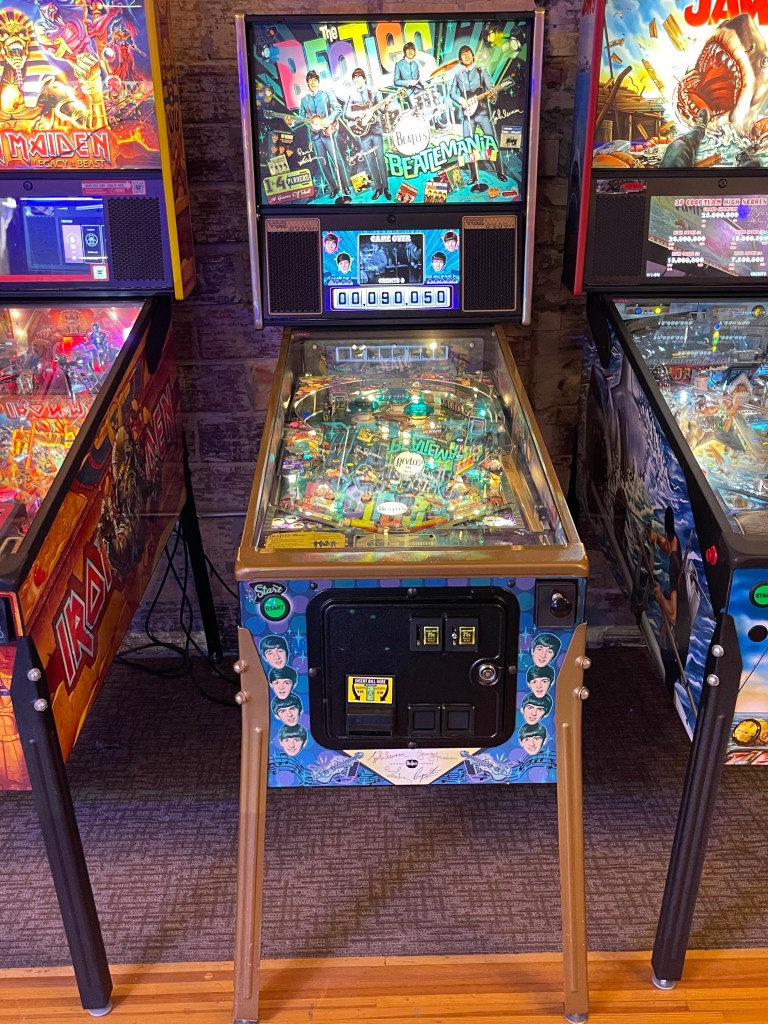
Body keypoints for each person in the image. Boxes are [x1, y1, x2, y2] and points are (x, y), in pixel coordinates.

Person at [449, 45, 507, 193]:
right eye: (463, 54)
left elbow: (491, 89)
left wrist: (493, 95)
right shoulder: (458, 75)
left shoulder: (482, 71)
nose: (466, 56)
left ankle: (500, 171)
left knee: (491, 142)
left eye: (468, 53)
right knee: (469, 146)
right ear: (460, 59)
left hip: (482, 112)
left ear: (472, 55)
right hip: (467, 115)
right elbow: (451, 93)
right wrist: (461, 100)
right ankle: (474, 176)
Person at [289, 70, 350, 203]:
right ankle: (334, 188)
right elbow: (302, 117)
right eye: (310, 80)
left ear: (318, 81)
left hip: (327, 132)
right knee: (323, 163)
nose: (312, 82)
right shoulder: (304, 100)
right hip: (315, 136)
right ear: (307, 83)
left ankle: (345, 187)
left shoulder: (325, 95)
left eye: (315, 79)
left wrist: (327, 121)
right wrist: (292, 122)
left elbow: (338, 109)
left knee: (336, 160)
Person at [651, 506, 692, 692]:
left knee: (671, 680)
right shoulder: (680, 557)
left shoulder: (676, 571)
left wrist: (659, 596)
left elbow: (674, 616)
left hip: (677, 644)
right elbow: (668, 547)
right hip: (684, 638)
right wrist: (657, 538)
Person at [343, 68, 391, 200]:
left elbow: (381, 110)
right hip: (362, 132)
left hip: (375, 129)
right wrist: (358, 114)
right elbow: (346, 113)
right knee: (370, 160)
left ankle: (386, 188)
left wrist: (386, 106)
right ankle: (378, 188)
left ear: (364, 78)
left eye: (359, 76)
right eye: (354, 77)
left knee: (380, 159)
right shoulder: (352, 95)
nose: (357, 79)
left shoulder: (373, 91)